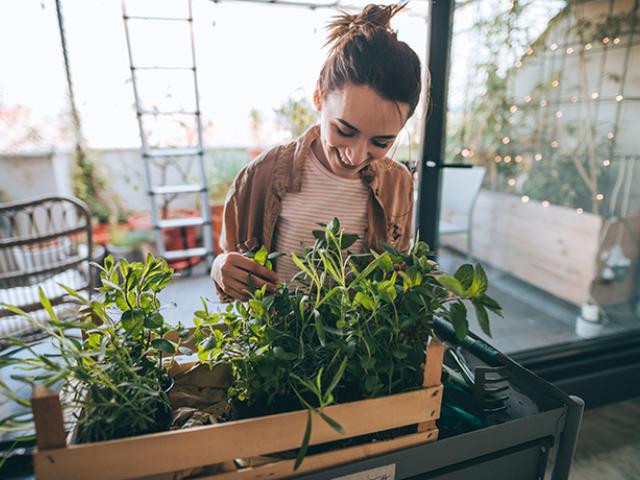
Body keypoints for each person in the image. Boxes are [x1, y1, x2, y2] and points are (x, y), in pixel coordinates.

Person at [211, 2, 425, 301]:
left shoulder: (398, 183)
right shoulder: (261, 175)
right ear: (319, 98)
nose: (355, 156)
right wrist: (220, 267)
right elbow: (228, 256)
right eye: (345, 131)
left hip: (361, 345)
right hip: (278, 341)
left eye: (381, 142)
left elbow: (397, 274)